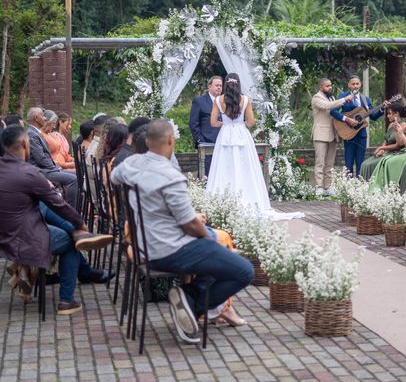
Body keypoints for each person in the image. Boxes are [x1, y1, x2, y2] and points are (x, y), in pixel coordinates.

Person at [111, 120, 253, 343]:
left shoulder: (132, 164)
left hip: (142, 247)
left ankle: (189, 300)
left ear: (146, 142)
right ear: (170, 141)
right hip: (171, 250)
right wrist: (207, 237)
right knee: (244, 270)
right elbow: (189, 224)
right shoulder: (171, 177)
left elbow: (114, 176)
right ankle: (192, 302)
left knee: (216, 255)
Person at [0, 126, 113, 315]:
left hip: (6, 232)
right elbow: (58, 204)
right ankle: (67, 300)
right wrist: (80, 222)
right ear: (25, 145)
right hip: (21, 238)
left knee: (43, 207)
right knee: (69, 243)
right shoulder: (28, 173)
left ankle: (79, 237)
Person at [205, 73, 302, 220]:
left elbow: (213, 122)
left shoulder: (218, 100)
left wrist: (224, 124)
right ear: (238, 84)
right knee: (245, 167)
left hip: (225, 135)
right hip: (241, 134)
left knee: (224, 167)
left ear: (225, 84)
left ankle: (223, 200)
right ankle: (249, 198)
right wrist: (239, 125)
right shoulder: (245, 100)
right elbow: (250, 122)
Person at [330, 75, 385, 176]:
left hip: (361, 134)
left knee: (360, 162)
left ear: (360, 85)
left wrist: (382, 109)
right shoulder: (343, 97)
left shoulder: (365, 99)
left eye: (357, 84)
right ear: (349, 85)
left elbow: (372, 116)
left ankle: (360, 185)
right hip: (348, 133)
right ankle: (348, 186)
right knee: (349, 162)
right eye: (353, 84)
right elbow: (333, 112)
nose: (355, 86)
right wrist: (347, 119)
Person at [26, 107, 78, 207]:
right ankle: (71, 210)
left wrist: (57, 167)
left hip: (48, 168)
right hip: (41, 171)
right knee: (73, 179)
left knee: (78, 173)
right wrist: (56, 168)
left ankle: (75, 207)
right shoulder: (32, 134)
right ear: (37, 118)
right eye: (42, 116)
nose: (45, 118)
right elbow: (41, 159)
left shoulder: (36, 133)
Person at [311, 78, 353, 196]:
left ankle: (328, 187)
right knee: (320, 162)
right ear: (321, 87)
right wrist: (344, 99)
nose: (330, 88)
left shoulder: (332, 98)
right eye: (327, 86)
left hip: (332, 134)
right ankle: (319, 187)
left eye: (330, 86)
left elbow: (335, 112)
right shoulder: (316, 98)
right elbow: (327, 106)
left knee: (330, 163)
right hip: (320, 134)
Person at [369, 105, 406, 191]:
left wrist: (402, 133)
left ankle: (391, 188)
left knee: (388, 161)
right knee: (385, 160)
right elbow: (400, 142)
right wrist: (397, 131)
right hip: (404, 151)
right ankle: (381, 187)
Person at [360, 102, 406, 181]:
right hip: (386, 151)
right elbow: (386, 140)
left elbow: (398, 145)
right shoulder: (390, 125)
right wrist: (381, 150)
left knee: (370, 165)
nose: (388, 116)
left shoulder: (404, 126)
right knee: (365, 164)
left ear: (396, 114)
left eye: (389, 114)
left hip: (395, 153)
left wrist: (382, 148)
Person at [189, 76, 223, 175]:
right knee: (207, 176)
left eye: (221, 86)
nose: (219, 88)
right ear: (210, 87)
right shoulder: (199, 101)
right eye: (217, 85)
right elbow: (193, 123)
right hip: (207, 144)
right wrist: (200, 140)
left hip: (223, 143)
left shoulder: (224, 101)